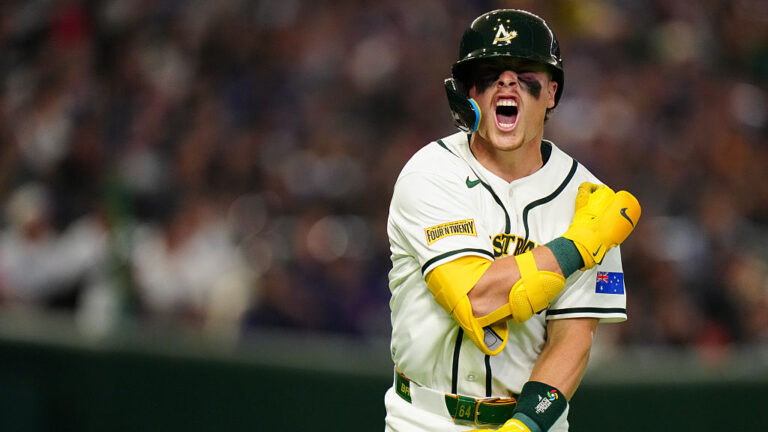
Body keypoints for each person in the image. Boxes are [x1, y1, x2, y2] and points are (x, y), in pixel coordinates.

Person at [384, 9, 641, 432]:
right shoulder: (429, 173)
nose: (507, 83)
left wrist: (526, 425)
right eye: (489, 73)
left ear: (552, 92)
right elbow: (478, 298)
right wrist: (577, 246)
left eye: (525, 73)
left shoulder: (588, 199)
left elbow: (573, 339)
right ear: (469, 92)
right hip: (423, 419)